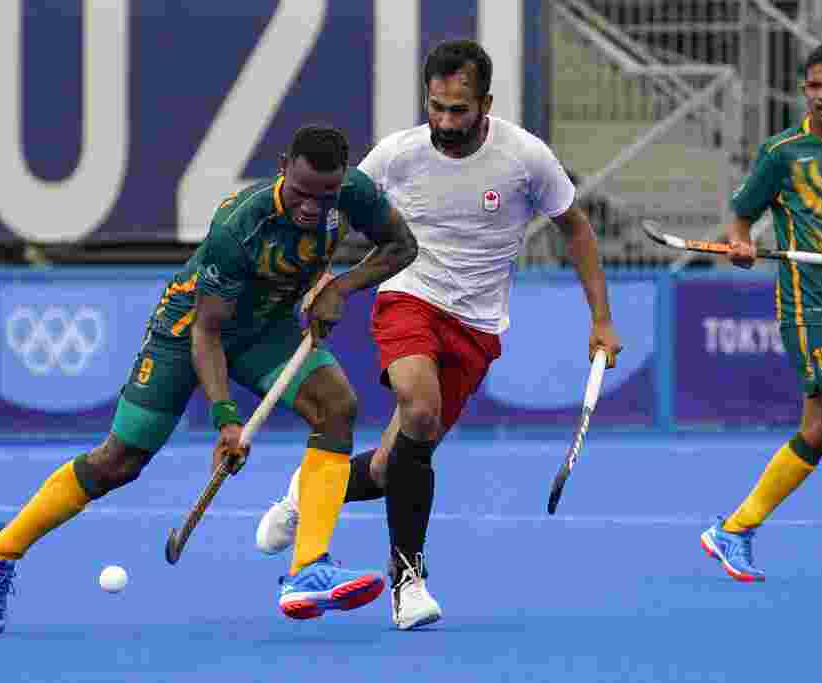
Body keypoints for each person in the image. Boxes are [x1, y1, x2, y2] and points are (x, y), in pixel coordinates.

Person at [0, 124, 418, 634]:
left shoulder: (352, 192)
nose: (313, 207)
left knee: (336, 407)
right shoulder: (239, 224)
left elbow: (401, 246)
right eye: (302, 192)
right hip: (188, 332)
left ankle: (307, 569)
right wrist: (227, 419)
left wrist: (343, 287)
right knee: (120, 461)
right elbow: (207, 332)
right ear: (283, 166)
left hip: (267, 328)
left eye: (326, 195)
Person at [255, 40, 623, 629]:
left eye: (459, 110)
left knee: (386, 469)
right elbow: (336, 205)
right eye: (436, 107)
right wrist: (324, 273)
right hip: (409, 296)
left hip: (476, 327)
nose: (446, 123)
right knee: (419, 410)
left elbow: (575, 228)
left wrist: (600, 318)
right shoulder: (397, 155)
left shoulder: (525, 158)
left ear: (487, 103)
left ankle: (307, 494)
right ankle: (409, 583)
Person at [699, 43, 822, 583]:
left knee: (819, 427)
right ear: (803, 92)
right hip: (809, 305)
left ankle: (735, 529)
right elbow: (740, 220)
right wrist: (741, 245)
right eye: (814, 87)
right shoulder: (782, 152)